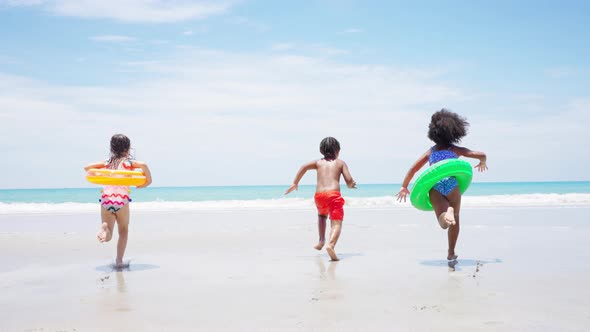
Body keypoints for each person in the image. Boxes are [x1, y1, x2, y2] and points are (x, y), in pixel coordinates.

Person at [396, 109, 487, 261]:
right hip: (452, 183)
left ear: (433, 133)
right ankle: (451, 252)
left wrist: (404, 186)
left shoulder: (430, 152)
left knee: (444, 222)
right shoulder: (455, 149)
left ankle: (447, 212)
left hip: (435, 186)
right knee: (455, 219)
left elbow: (413, 169)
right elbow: (481, 154)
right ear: (454, 133)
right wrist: (482, 162)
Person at [84, 134, 152, 268]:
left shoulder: (107, 163)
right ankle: (119, 261)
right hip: (121, 201)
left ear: (112, 148)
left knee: (108, 233)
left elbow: (87, 168)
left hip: (107, 200)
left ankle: (105, 227)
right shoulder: (128, 163)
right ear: (128, 148)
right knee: (123, 231)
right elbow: (144, 166)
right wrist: (144, 183)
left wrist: (102, 171)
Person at [285, 137, 357, 261]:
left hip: (319, 196)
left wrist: (295, 183)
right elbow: (349, 180)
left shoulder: (318, 163)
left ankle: (321, 240)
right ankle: (331, 245)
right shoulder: (340, 163)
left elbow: (303, 167)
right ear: (338, 150)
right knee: (336, 223)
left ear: (321, 150)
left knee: (322, 216)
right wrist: (351, 185)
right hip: (333, 195)